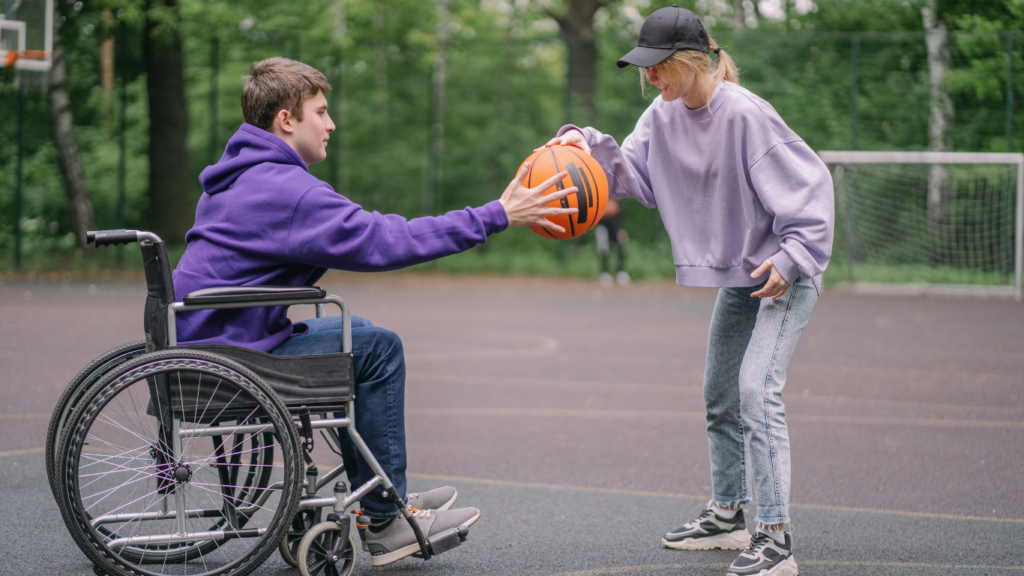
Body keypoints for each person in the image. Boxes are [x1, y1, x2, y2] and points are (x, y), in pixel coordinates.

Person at [172, 57, 578, 567]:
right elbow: (386, 240)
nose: (331, 123)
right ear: (285, 120)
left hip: (210, 340)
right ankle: (386, 523)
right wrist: (495, 215)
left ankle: (379, 491)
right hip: (232, 356)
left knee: (357, 330)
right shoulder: (285, 190)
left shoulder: (240, 176)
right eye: (321, 111)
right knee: (378, 348)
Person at [545, 6, 833, 576]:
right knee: (720, 393)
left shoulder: (746, 115)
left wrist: (793, 255)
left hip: (786, 272)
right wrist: (585, 143)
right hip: (742, 278)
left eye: (658, 68)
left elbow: (813, 188)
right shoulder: (663, 113)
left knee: (756, 391)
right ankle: (728, 515)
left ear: (690, 61)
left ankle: (775, 539)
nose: (650, 78)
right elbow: (630, 177)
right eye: (644, 70)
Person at [595, 198, 630, 286]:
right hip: (603, 227)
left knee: (620, 247)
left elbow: (620, 216)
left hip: (616, 227)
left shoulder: (620, 203)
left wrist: (621, 230)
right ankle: (605, 272)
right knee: (603, 250)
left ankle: (620, 272)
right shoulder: (602, 197)